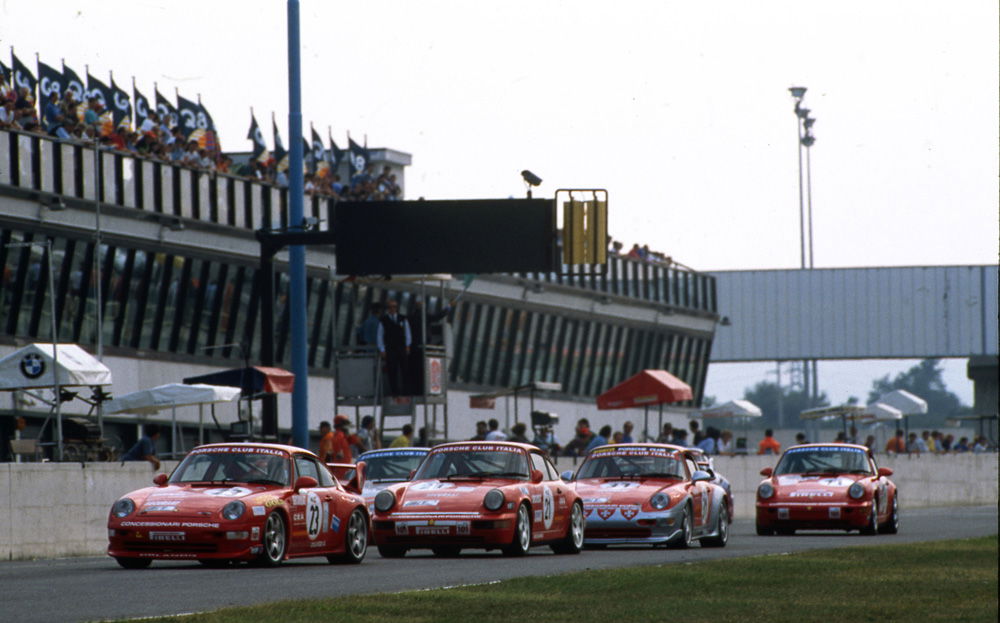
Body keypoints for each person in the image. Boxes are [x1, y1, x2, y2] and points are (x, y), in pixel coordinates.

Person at [377, 299, 411, 396]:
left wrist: (408, 345)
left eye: (394, 307)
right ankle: (395, 392)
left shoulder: (403, 319)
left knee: (405, 370)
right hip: (390, 348)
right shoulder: (383, 320)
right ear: (387, 309)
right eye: (390, 307)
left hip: (401, 347)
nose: (392, 309)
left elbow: (407, 333)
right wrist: (382, 349)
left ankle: (406, 392)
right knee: (392, 370)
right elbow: (380, 336)